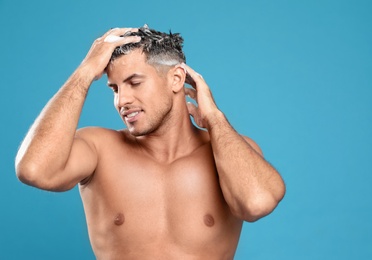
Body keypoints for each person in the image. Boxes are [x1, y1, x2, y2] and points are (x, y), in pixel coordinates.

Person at [15, 25, 285, 259]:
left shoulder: (229, 153)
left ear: (176, 79)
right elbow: (34, 169)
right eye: (115, 88)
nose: (122, 101)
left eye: (134, 82)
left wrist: (215, 119)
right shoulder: (99, 148)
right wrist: (85, 73)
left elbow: (257, 203)